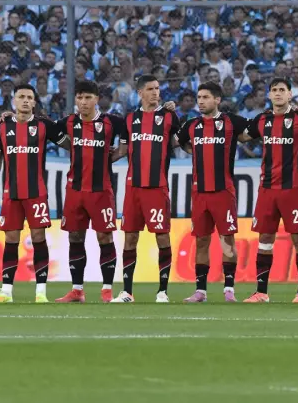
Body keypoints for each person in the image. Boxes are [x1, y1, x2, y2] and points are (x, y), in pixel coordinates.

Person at [239, 77, 298, 303]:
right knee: (265, 239)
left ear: (289, 94)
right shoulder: (262, 120)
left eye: (282, 90)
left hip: (292, 190)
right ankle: (261, 292)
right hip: (267, 190)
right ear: (269, 95)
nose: (278, 94)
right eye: (274, 90)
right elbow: (242, 135)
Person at [0, 84, 69, 303]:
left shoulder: (43, 125)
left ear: (34, 102)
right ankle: (5, 292)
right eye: (20, 96)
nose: (24, 100)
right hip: (11, 194)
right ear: (14, 100)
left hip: (36, 193)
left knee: (39, 238)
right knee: (11, 239)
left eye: (29, 97)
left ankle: (41, 292)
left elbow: (70, 144)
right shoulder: (2, 126)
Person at [175, 81, 250, 303]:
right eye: (199, 97)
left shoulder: (230, 122)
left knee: (227, 239)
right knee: (201, 241)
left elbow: (252, 132)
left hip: (223, 192)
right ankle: (201, 291)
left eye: (205, 97)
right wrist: (193, 150)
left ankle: (229, 290)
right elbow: (178, 142)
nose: (200, 101)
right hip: (199, 193)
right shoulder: (192, 125)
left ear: (217, 100)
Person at [53, 81, 128, 304]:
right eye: (79, 98)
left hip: (101, 191)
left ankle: (106, 290)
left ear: (96, 99)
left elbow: (131, 134)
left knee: (104, 236)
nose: (83, 103)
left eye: (88, 98)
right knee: (75, 237)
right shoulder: (67, 123)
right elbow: (44, 129)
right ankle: (77, 291)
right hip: (75, 190)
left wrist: (115, 154)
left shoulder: (111, 122)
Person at [112, 75, 181, 303]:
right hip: (133, 188)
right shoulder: (129, 119)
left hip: (157, 188)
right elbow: (121, 151)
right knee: (130, 238)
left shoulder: (169, 117)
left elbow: (183, 142)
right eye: (150, 89)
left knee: (162, 237)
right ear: (140, 93)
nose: (155, 92)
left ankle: (162, 291)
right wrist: (96, 160)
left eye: (158, 88)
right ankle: (127, 292)